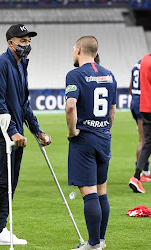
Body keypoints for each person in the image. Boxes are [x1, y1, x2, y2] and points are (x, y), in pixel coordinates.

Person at [0, 24, 51, 245]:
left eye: (29, 41)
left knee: (11, 184)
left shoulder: (22, 64)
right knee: (4, 180)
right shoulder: (0, 64)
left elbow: (24, 104)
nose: (27, 45)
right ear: (10, 43)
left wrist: (37, 130)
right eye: (22, 41)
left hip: (15, 133)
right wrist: (13, 131)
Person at [65, 36, 117, 250]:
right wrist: (105, 130)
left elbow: (70, 107)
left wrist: (71, 131)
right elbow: (112, 110)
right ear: (95, 52)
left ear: (78, 50)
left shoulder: (75, 74)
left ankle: (93, 244)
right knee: (102, 190)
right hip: (104, 137)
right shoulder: (110, 75)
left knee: (89, 193)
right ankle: (101, 240)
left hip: (84, 139)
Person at [129, 52, 151, 193]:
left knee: (147, 142)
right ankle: (144, 173)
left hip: (143, 105)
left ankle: (137, 176)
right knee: (144, 141)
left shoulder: (144, 59)